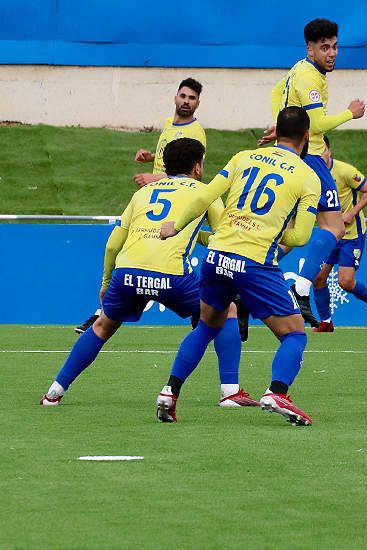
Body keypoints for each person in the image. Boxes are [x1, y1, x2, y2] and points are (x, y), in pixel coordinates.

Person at [40, 138, 257, 409]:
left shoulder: (143, 193)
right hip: (172, 276)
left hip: (127, 273)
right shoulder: (205, 192)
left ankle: (53, 393)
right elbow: (224, 236)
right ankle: (229, 391)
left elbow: (112, 244)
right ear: (197, 167)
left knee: (102, 326)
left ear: (165, 165)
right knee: (228, 312)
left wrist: (106, 282)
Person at [155, 106, 321, 426]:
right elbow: (300, 236)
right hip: (255, 261)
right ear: (306, 136)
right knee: (295, 335)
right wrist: (269, 228)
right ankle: (277, 392)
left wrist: (176, 226)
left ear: (275, 130)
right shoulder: (307, 177)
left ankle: (169, 392)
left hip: (217, 255)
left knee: (206, 326)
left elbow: (204, 197)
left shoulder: (243, 156)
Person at [74, 78, 207, 335]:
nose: (186, 102)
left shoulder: (194, 133)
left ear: (198, 103)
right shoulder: (170, 126)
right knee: (139, 248)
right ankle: (104, 311)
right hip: (157, 196)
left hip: (173, 200)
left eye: (192, 98)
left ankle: (105, 312)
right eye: (183, 96)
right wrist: (152, 158)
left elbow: (191, 173)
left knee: (136, 248)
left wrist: (153, 178)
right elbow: (172, 161)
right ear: (175, 97)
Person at [261, 18, 365, 326]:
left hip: (293, 154)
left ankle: (254, 270)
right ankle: (302, 285)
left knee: (295, 229)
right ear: (310, 48)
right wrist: (351, 113)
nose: (332, 53)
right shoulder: (309, 78)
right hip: (312, 157)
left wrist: (282, 129)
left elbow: (277, 95)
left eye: (334, 46)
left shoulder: (300, 71)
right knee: (334, 228)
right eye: (324, 48)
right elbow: (316, 124)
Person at [311, 136, 367, 332]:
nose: (320, 154)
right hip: (329, 234)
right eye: (316, 151)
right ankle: (326, 322)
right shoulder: (309, 174)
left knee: (345, 282)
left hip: (351, 235)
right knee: (318, 278)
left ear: (330, 151)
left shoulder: (344, 171)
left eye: (323, 150)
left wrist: (351, 212)